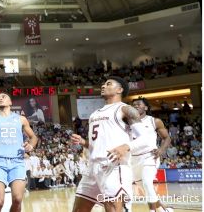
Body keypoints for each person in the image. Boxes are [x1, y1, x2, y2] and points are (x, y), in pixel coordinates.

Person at [71, 76, 150, 212]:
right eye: (103, 84)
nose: (103, 86)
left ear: (119, 89)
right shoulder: (94, 114)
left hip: (113, 166)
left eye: (108, 84)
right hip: (92, 167)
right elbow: (96, 145)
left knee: (112, 209)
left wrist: (126, 147)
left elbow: (147, 139)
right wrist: (84, 142)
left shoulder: (126, 109)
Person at [0, 92, 38, 212]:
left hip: (17, 162)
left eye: (3, 97)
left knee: (17, 199)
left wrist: (31, 146)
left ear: (10, 102)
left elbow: (34, 137)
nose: (0, 98)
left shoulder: (21, 119)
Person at [128, 97, 171, 212]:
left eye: (138, 104)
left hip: (149, 156)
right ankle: (163, 210)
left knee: (147, 183)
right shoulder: (126, 122)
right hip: (133, 159)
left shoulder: (154, 121)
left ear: (146, 108)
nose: (136, 106)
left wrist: (161, 150)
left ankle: (152, 211)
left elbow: (167, 138)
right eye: (134, 105)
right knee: (146, 190)